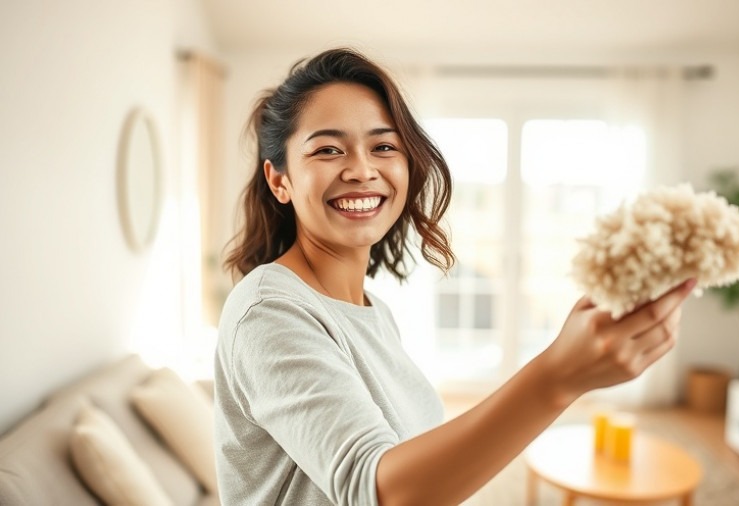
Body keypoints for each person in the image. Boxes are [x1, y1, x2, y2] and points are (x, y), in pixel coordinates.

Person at [214, 47, 695, 506]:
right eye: (327, 151)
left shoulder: (373, 313)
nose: (362, 169)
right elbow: (379, 492)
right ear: (280, 180)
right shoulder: (266, 310)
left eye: (383, 145)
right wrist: (557, 378)